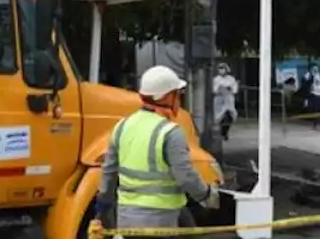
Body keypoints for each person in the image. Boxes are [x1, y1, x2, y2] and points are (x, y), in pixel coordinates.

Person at [97, 66, 219, 230]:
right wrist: (207, 196)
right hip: (161, 220)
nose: (179, 100)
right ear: (167, 97)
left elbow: (109, 172)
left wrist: (103, 209)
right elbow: (186, 176)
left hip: (126, 219)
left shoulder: (122, 126)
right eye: (177, 95)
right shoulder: (170, 132)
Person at [212, 62, 238, 141]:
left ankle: (225, 132)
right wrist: (219, 89)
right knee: (220, 117)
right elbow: (214, 90)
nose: (221, 70)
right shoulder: (216, 79)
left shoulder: (231, 79)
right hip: (219, 100)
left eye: (223, 68)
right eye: (220, 68)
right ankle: (222, 132)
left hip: (228, 99)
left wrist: (229, 89)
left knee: (229, 116)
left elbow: (235, 89)